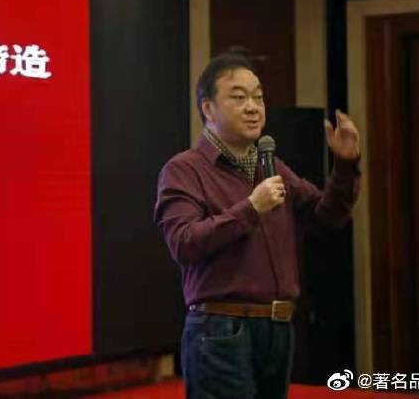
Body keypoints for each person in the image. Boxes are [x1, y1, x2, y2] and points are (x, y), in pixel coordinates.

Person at [154, 53, 361, 399]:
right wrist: (251, 208)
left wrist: (344, 164)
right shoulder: (184, 170)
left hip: (277, 329)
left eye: (258, 97)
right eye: (239, 97)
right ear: (208, 109)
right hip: (220, 330)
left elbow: (328, 217)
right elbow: (184, 242)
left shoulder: (272, 166)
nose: (253, 107)